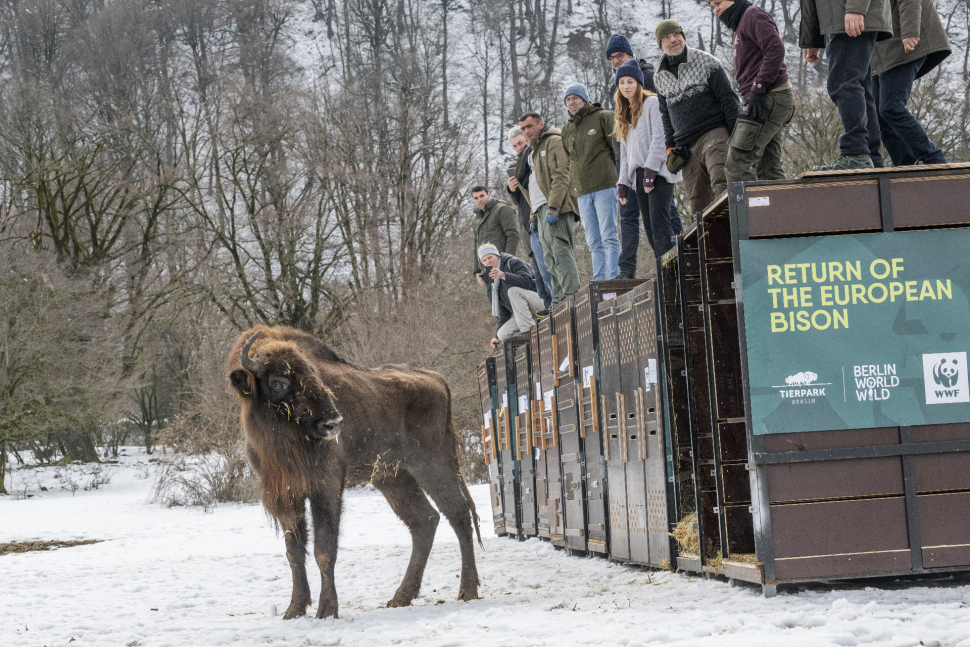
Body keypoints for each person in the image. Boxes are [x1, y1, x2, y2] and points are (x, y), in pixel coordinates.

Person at [605, 34, 683, 279]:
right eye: (622, 83)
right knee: (649, 228)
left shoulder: (651, 103)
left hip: (658, 172)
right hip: (639, 174)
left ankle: (674, 270)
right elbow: (627, 152)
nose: (626, 86)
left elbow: (660, 138)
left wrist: (650, 170)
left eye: (630, 81)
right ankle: (665, 270)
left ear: (638, 82)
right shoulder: (625, 113)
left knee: (661, 223)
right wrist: (623, 183)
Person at [654, 20, 741, 215]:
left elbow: (729, 100)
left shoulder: (707, 62)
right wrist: (671, 147)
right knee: (697, 204)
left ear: (683, 36)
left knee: (722, 182)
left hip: (714, 133)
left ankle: (737, 236)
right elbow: (665, 115)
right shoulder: (658, 77)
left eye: (676, 34)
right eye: (667, 37)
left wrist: (736, 138)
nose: (673, 40)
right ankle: (711, 244)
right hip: (685, 146)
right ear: (661, 45)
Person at [801, 0, 892, 170]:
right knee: (858, 87)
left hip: (847, 13)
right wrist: (811, 37)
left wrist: (856, 8)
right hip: (838, 16)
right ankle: (868, 156)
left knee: (844, 83)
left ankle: (856, 152)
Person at [710, 0, 795, 182]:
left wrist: (757, 88)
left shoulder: (752, 15)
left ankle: (749, 211)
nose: (716, 9)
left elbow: (775, 49)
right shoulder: (741, 23)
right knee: (768, 168)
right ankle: (779, 210)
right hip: (768, 98)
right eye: (712, 6)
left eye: (718, 2)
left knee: (736, 165)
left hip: (768, 97)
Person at [871, 0, 950, 166]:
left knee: (891, 108)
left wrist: (910, 32)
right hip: (881, 49)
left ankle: (934, 159)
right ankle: (905, 164)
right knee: (880, 115)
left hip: (902, 41)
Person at [517, 111, 581, 306]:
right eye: (523, 129)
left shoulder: (553, 141)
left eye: (529, 127)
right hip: (539, 210)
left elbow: (561, 175)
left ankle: (571, 295)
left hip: (555, 206)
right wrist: (534, 217)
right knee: (549, 258)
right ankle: (559, 298)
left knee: (560, 251)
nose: (526, 132)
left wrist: (554, 206)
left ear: (540, 124)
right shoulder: (533, 150)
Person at [559, 83, 621, 281]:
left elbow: (617, 149)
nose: (571, 102)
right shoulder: (566, 129)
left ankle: (614, 277)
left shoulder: (602, 116)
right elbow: (570, 158)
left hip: (604, 186)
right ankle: (600, 280)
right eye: (568, 99)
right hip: (582, 193)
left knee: (609, 235)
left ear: (584, 99)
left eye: (575, 98)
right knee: (593, 241)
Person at [506, 126, 553, 308]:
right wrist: (512, 190)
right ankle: (548, 306)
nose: (518, 148)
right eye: (515, 146)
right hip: (528, 224)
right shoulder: (515, 166)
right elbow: (519, 201)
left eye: (520, 143)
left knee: (548, 269)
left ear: (527, 140)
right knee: (539, 278)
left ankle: (555, 304)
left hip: (542, 218)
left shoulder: (537, 159)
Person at [478, 244, 544, 349]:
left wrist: (503, 275)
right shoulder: (491, 280)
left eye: (490, 257)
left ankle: (528, 333)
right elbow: (503, 314)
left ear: (497, 255)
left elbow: (526, 282)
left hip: (540, 302)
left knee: (513, 291)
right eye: (484, 260)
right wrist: (496, 337)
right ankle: (525, 337)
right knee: (502, 334)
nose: (488, 262)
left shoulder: (512, 262)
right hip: (524, 314)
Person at [470, 185, 520, 294]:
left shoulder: (502, 209)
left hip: (502, 264)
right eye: (476, 198)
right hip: (487, 268)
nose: (480, 200)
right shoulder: (476, 219)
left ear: (488, 194)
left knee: (509, 297)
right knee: (494, 301)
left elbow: (513, 235)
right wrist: (477, 271)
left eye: (482, 196)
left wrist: (507, 263)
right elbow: (476, 245)